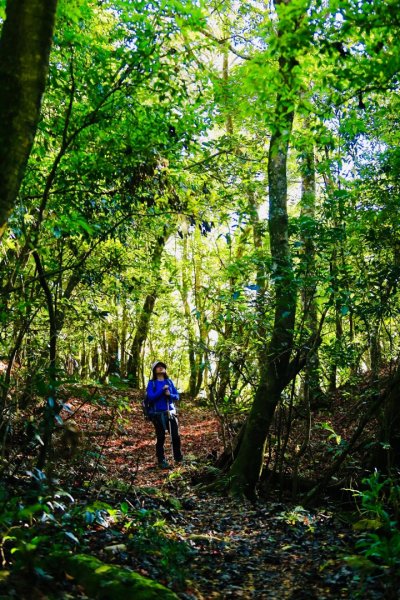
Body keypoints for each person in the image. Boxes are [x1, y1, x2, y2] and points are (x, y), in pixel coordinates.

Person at [146, 361, 183, 469]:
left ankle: (178, 458)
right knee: (161, 437)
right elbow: (151, 397)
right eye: (158, 367)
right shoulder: (151, 383)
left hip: (170, 413)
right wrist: (162, 391)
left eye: (162, 367)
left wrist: (169, 394)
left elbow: (177, 396)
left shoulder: (169, 382)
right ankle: (161, 460)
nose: (161, 368)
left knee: (175, 436)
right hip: (157, 415)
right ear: (154, 370)